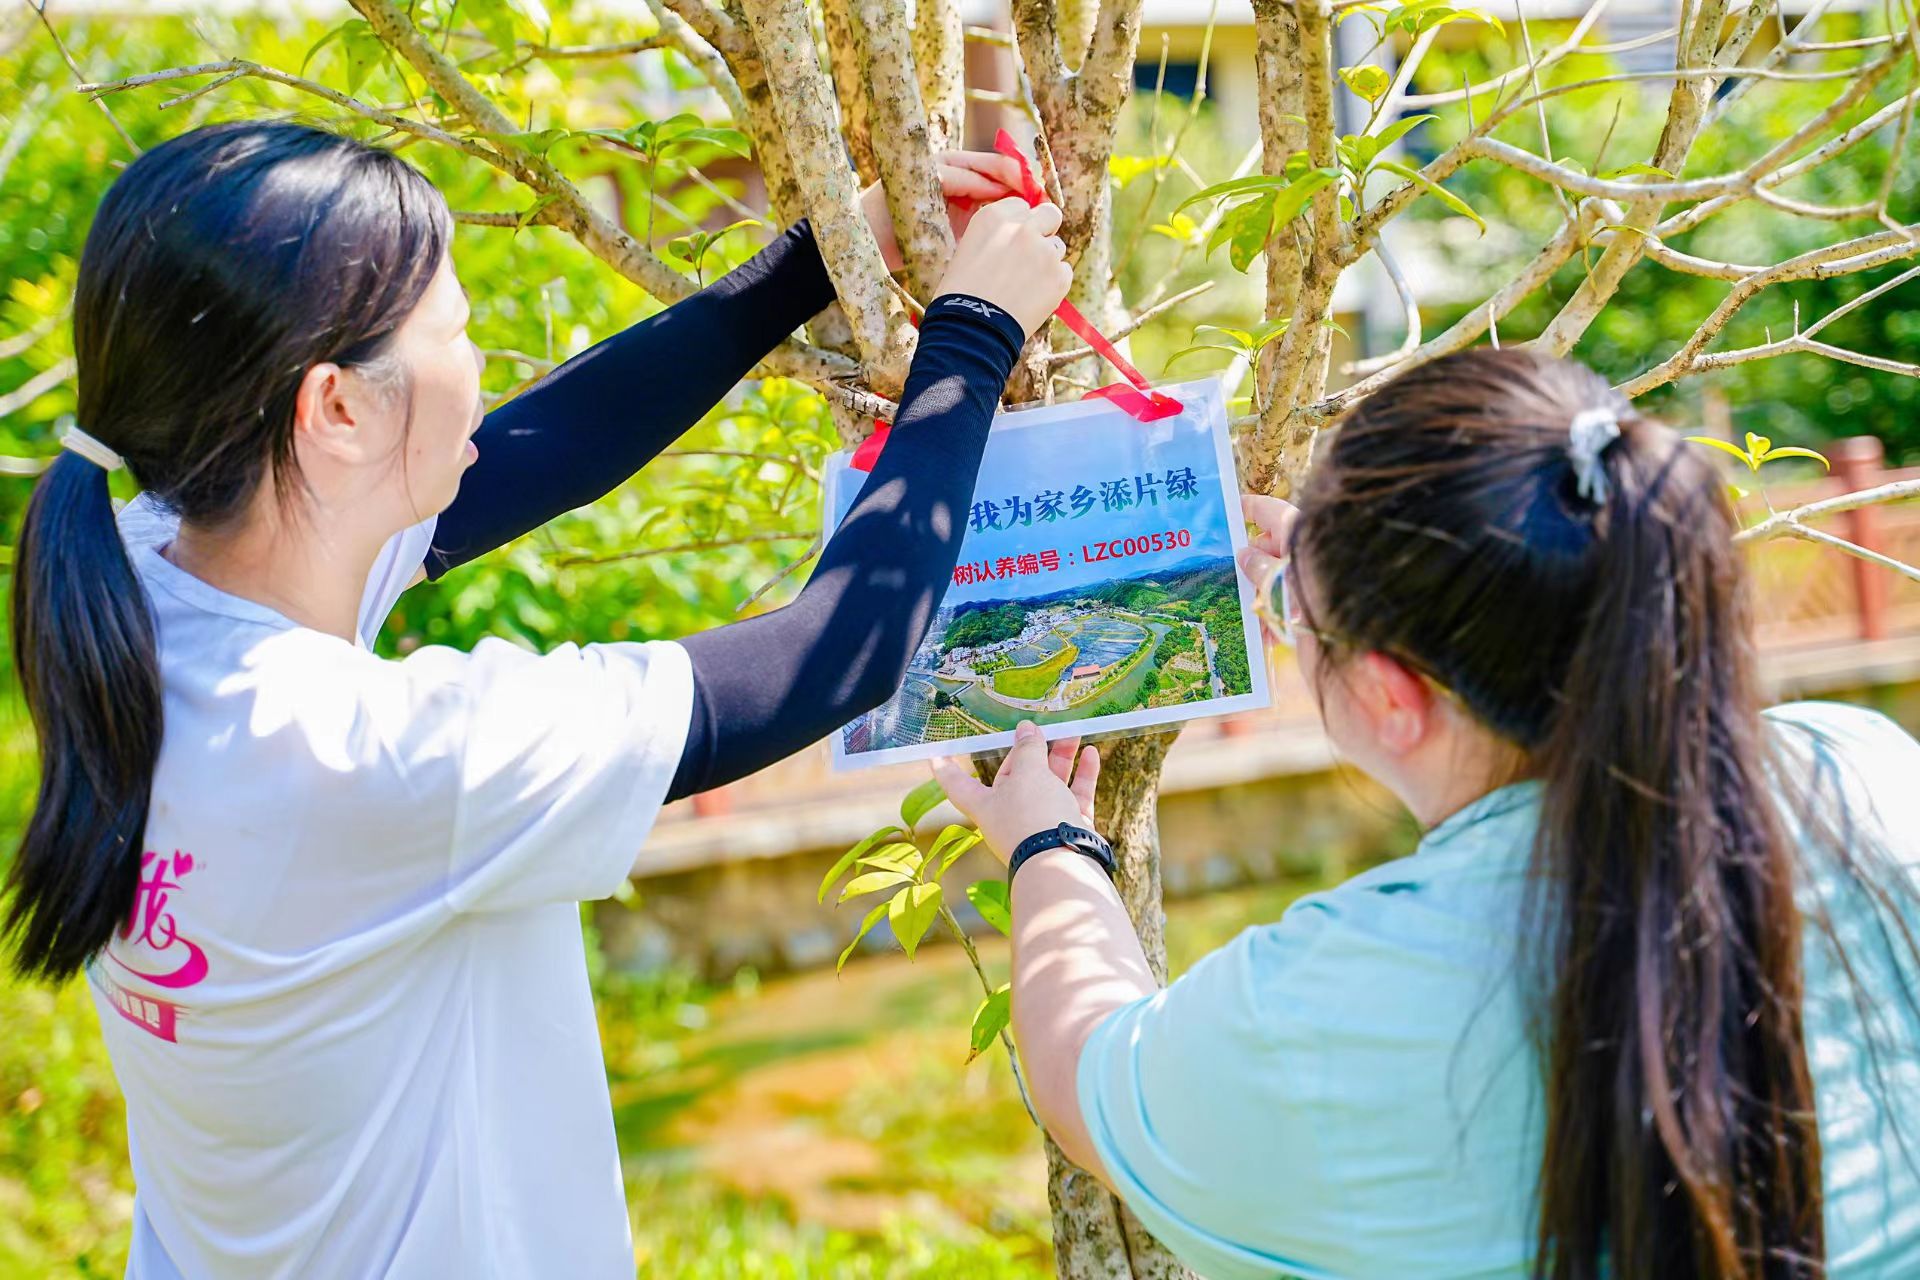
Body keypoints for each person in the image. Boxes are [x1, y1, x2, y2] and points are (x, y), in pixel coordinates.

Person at [3, 121, 1071, 1278]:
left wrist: (821, 255)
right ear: (336, 411)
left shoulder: (146, 573)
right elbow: (834, 651)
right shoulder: (383, 758)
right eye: (455, 330)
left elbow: (548, 440)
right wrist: (974, 334)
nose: (478, 367)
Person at [936, 348, 1920, 1280]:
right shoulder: (1861, 770)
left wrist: (1048, 843)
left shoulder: (1324, 1013)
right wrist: (1340, 592)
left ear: (1389, 693)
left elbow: (1084, 1072)